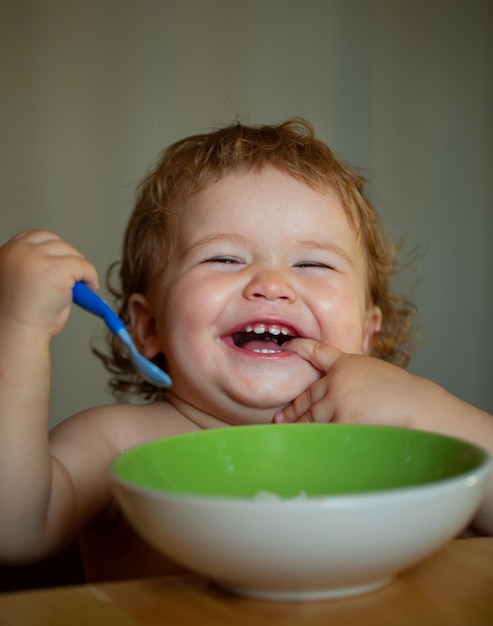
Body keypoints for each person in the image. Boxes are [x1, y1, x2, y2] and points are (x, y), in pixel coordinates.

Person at [0, 120, 491, 584]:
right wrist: (18, 327)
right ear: (148, 326)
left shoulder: (386, 444)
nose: (272, 284)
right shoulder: (115, 445)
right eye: (225, 258)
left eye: (313, 263)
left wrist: (415, 406)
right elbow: (15, 531)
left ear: (368, 336)